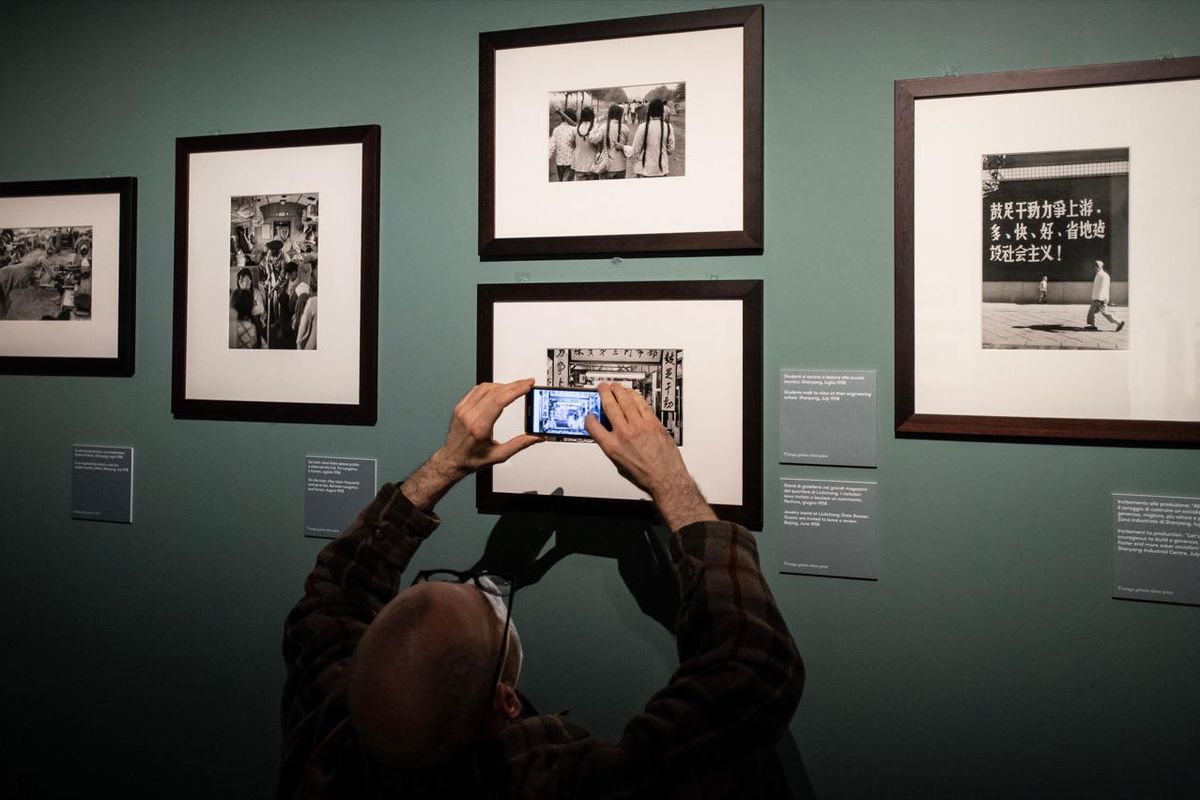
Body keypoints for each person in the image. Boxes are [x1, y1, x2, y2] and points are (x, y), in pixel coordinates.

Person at [279, 379, 804, 798]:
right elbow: (751, 672)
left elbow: (336, 589)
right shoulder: (569, 784)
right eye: (485, 608)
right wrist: (671, 483)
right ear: (507, 702)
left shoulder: (327, 734)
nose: (476, 587)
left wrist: (446, 464)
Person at [632, 98, 676, 178]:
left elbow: (635, 149)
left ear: (649, 111)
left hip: (645, 169)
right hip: (662, 169)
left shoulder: (642, 127)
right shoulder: (668, 127)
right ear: (662, 111)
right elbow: (671, 149)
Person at [1085, 260, 1124, 331]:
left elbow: (1103, 287)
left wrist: (1100, 298)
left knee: (1105, 313)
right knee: (1091, 312)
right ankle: (1092, 326)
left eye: (1097, 266)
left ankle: (1119, 322)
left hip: (1100, 299)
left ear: (1101, 266)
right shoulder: (1099, 274)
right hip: (1097, 298)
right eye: (1094, 266)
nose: (1095, 267)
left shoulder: (1103, 275)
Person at [229, 267, 260, 348]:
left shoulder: (255, 292)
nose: (247, 283)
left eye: (248, 280)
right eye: (243, 281)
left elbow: (261, 309)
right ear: (239, 282)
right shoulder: (235, 295)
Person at [570, 106, 603, 181]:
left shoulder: (575, 129)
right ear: (592, 115)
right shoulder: (595, 127)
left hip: (578, 164)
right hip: (592, 164)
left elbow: (572, 145)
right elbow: (599, 143)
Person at [599, 104, 631, 179]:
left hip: (606, 165)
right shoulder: (625, 128)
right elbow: (626, 144)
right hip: (621, 166)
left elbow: (598, 143)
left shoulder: (603, 127)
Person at [548, 111, 576, 182]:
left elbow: (551, 146)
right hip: (570, 162)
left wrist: (548, 157)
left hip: (559, 162)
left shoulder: (556, 130)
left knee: (560, 182)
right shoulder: (574, 129)